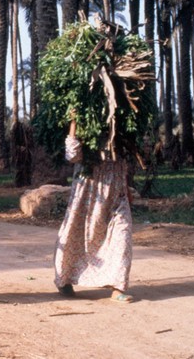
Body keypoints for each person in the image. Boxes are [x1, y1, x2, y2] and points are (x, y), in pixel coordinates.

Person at [53, 117, 134, 303]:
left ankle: (118, 287)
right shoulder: (86, 130)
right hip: (87, 194)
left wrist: (127, 189)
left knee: (122, 235)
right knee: (75, 235)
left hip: (116, 194)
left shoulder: (122, 134)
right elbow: (72, 155)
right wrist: (74, 122)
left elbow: (124, 164)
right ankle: (64, 280)